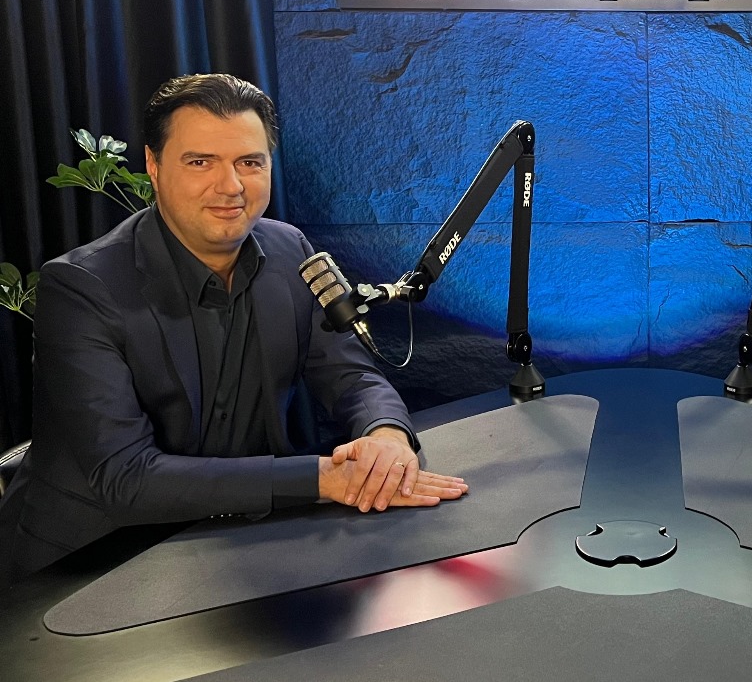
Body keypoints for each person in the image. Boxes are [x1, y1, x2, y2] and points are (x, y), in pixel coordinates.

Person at [0, 73, 467, 587]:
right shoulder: (81, 286)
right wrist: (326, 478)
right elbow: (125, 477)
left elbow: (350, 375)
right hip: (90, 562)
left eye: (250, 162)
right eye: (200, 162)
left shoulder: (291, 250)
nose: (231, 186)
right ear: (154, 166)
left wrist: (386, 435)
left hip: (233, 544)